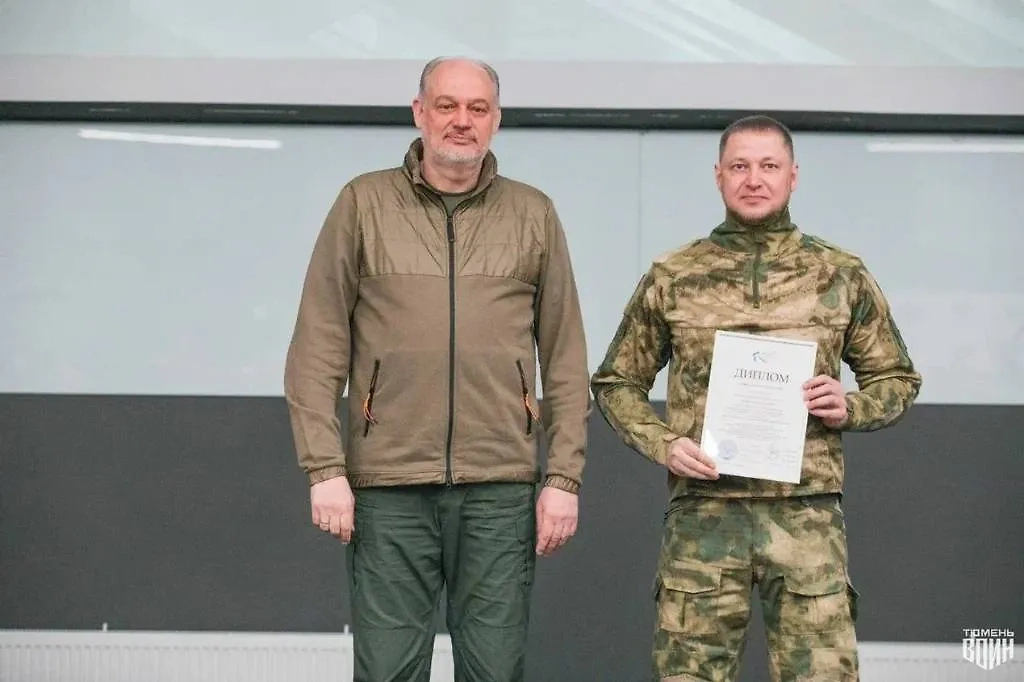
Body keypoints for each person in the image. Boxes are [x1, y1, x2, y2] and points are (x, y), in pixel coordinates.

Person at [283, 56, 590, 682]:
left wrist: (563, 477)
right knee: (389, 671)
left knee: (495, 670)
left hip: (499, 487)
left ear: (496, 120)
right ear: (419, 112)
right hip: (388, 487)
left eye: (478, 109)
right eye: (446, 105)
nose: (462, 121)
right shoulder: (363, 204)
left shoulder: (533, 214)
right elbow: (317, 344)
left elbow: (564, 355)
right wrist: (323, 469)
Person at [590, 115, 922, 682]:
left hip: (806, 515)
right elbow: (615, 382)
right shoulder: (675, 273)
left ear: (793, 177)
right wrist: (665, 445)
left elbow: (897, 377)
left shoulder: (838, 273)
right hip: (705, 514)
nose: (754, 178)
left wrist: (851, 406)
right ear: (718, 176)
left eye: (769, 166)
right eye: (740, 166)